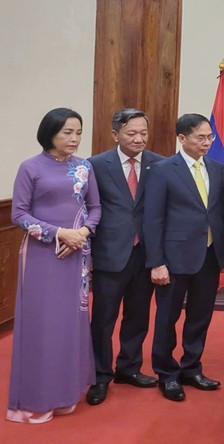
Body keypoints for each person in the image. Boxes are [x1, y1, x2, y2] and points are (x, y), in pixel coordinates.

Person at [7, 108, 101, 423]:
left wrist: (82, 234)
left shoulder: (84, 167)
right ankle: (36, 398)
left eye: (78, 132)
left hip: (76, 255)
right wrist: (59, 234)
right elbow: (18, 214)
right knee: (43, 325)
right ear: (50, 133)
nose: (74, 139)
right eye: (67, 133)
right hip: (41, 256)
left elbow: (95, 208)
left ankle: (65, 393)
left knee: (70, 324)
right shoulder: (30, 167)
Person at [144, 113, 224, 402]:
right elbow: (153, 219)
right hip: (173, 257)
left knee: (200, 316)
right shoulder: (162, 169)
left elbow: (218, 214)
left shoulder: (217, 169)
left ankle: (191, 368)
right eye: (200, 138)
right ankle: (166, 374)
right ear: (182, 139)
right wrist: (156, 262)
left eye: (210, 137)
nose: (207, 142)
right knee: (167, 318)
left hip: (207, 254)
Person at [85, 109, 164, 405]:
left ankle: (129, 368)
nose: (139, 139)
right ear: (115, 134)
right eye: (132, 133)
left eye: (143, 132)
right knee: (103, 320)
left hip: (145, 252)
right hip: (109, 253)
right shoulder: (95, 165)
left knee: (138, 315)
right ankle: (99, 375)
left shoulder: (159, 164)